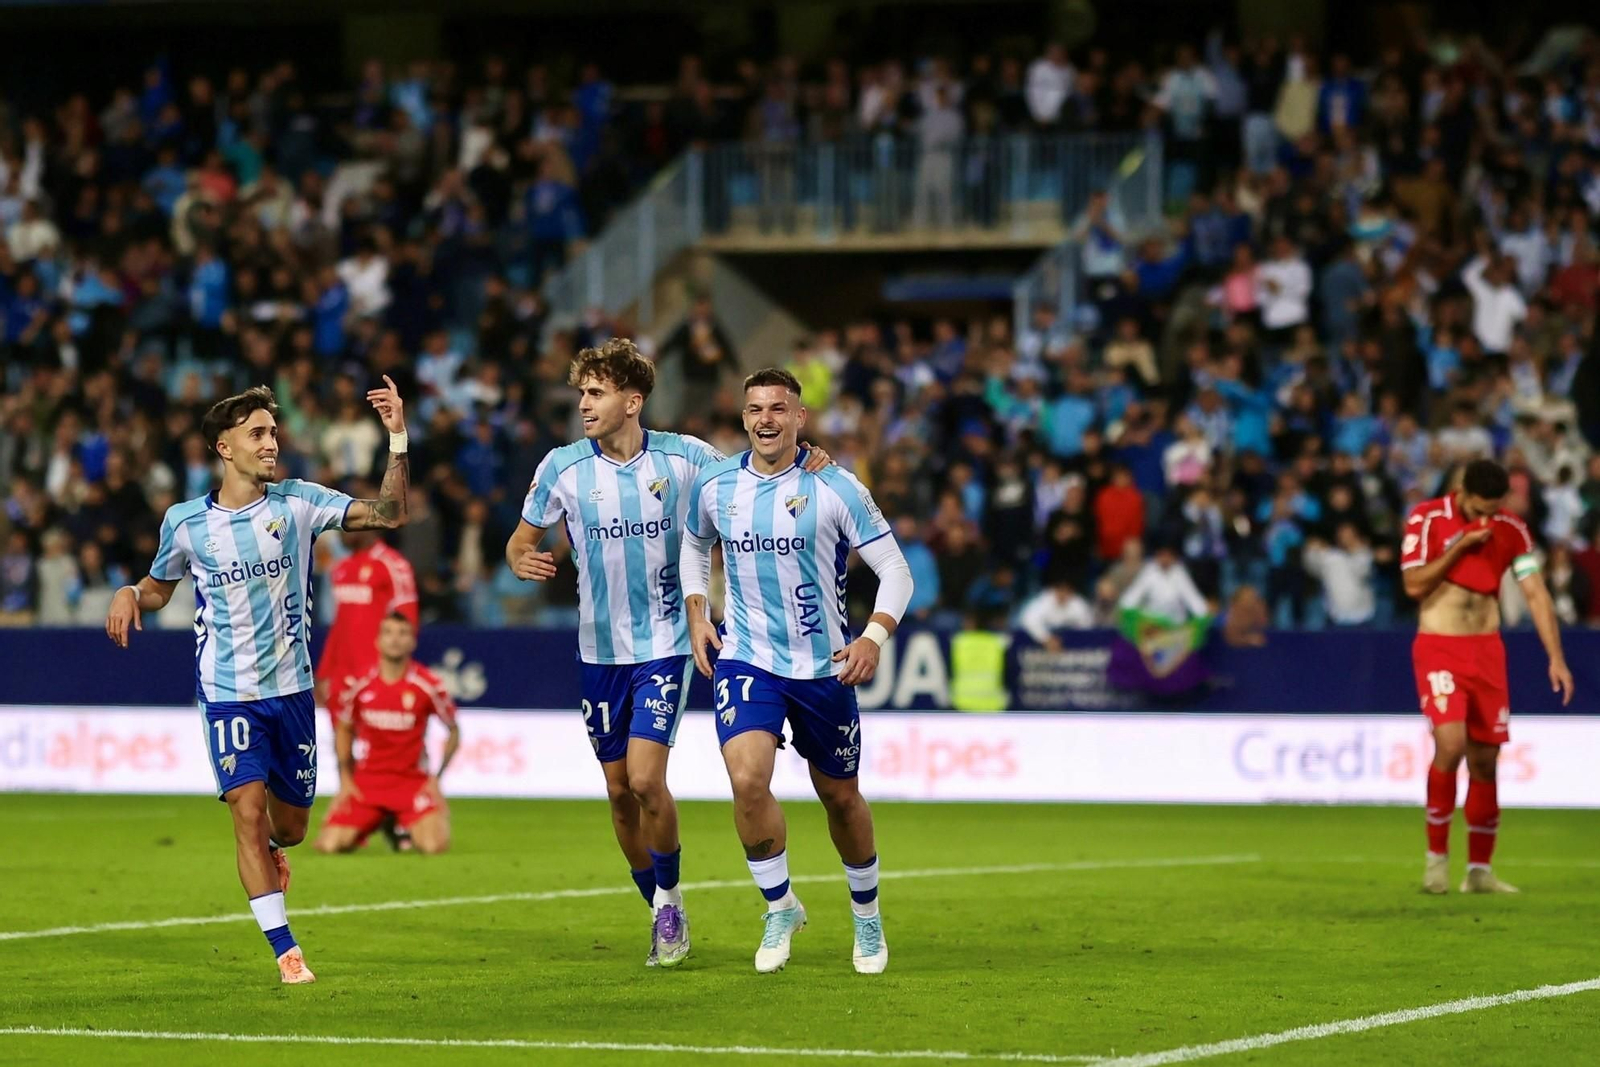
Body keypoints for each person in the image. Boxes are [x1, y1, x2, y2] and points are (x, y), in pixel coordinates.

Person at [504, 338, 830, 968]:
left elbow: (758, 472)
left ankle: (672, 905)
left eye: (596, 393)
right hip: (598, 652)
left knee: (648, 780)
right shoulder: (562, 467)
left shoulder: (686, 459)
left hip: (666, 645)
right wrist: (524, 560)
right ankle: (658, 903)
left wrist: (809, 459)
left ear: (634, 400)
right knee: (620, 792)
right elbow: (520, 541)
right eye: (581, 394)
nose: (584, 405)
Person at [105, 379, 411, 984]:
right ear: (225, 447)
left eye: (273, 431)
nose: (272, 443)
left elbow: (390, 513)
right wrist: (127, 592)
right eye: (258, 434)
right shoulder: (187, 522)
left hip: (292, 692)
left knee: (290, 827)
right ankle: (287, 952)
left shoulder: (298, 502)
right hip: (226, 694)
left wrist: (397, 436)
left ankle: (275, 854)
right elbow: (158, 589)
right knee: (245, 811)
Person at [680, 367, 915, 975]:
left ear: (799, 419)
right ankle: (780, 904)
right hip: (746, 658)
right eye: (755, 408)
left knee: (840, 797)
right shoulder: (716, 486)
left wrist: (873, 636)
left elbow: (896, 571)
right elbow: (692, 545)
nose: (766, 419)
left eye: (778, 409)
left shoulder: (836, 487)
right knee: (748, 781)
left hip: (823, 668)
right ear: (743, 416)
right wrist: (698, 610)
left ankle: (866, 917)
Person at [1400, 459, 1573, 895]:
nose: (1486, 520)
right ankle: (1435, 862)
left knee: (1485, 760)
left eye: (1493, 511)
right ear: (1462, 492)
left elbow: (1534, 591)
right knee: (1451, 743)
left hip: (1487, 651)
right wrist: (1459, 546)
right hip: (1440, 644)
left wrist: (1556, 656)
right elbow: (1413, 584)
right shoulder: (1428, 518)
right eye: (1479, 511)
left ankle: (1479, 871)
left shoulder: (1511, 528)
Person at [314, 612, 460, 855]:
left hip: (412, 783)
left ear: (412, 641)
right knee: (330, 845)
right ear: (378, 640)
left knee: (434, 846)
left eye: (403, 633)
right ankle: (383, 821)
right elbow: (344, 728)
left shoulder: (427, 684)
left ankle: (400, 824)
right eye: (389, 632)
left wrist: (436, 779)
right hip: (368, 782)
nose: (395, 639)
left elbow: (453, 730)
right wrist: (345, 781)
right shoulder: (359, 684)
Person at [317, 519, 419, 712]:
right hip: (341, 678)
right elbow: (340, 625)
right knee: (340, 740)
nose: (340, 533)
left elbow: (408, 624)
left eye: (345, 527)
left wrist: (392, 677)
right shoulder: (342, 568)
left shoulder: (393, 565)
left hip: (375, 676)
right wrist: (325, 672)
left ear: (364, 525)